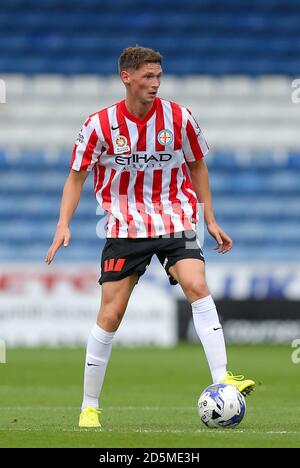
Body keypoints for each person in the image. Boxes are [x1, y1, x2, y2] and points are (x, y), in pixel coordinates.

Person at [45, 46, 255, 428]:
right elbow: (76, 176)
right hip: (125, 226)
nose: (155, 84)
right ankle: (89, 406)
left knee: (196, 284)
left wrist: (208, 216)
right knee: (111, 314)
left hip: (174, 217)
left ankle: (223, 377)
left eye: (158, 76)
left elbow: (197, 165)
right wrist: (63, 223)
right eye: (147, 77)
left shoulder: (180, 117)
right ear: (127, 77)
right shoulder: (99, 125)